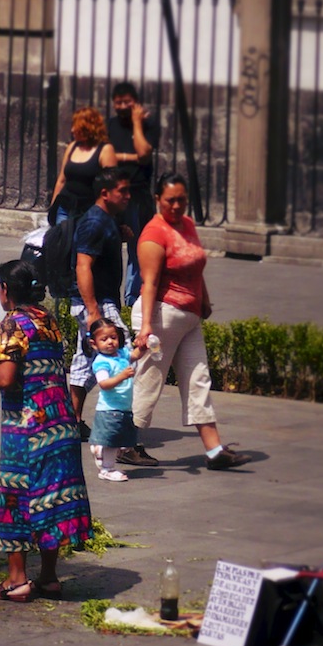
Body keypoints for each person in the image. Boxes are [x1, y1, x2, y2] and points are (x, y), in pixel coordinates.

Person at [0, 260, 91, 602]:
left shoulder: (11, 324)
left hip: (28, 428)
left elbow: (6, 380)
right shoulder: (47, 320)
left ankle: (17, 581)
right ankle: (49, 577)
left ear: (5, 290)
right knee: (51, 499)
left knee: (16, 498)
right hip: (60, 423)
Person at [131, 172, 253, 471]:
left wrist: (205, 300)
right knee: (148, 381)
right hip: (160, 315)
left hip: (188, 318)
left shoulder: (186, 225)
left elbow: (196, 267)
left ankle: (214, 450)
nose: (176, 205)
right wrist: (146, 327)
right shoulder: (153, 234)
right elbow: (149, 284)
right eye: (170, 200)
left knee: (199, 379)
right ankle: (126, 445)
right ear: (158, 200)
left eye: (181, 200)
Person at [69, 167, 158, 466]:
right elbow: (83, 266)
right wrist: (94, 310)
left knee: (84, 363)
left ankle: (73, 421)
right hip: (98, 304)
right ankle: (123, 444)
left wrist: (118, 232)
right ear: (105, 193)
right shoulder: (94, 222)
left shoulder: (105, 220)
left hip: (98, 302)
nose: (128, 196)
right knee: (124, 353)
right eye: (123, 191)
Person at [107, 82, 160, 307]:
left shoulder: (148, 125)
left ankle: (131, 301)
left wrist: (137, 123)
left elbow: (145, 154)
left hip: (138, 195)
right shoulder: (109, 125)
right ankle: (112, 300)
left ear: (136, 102)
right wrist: (130, 158)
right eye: (118, 102)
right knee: (110, 249)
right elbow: (105, 154)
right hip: (113, 195)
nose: (122, 106)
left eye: (127, 102)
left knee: (138, 249)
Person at [87, 318, 147, 482]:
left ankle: (99, 448)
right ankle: (107, 469)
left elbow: (134, 355)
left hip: (124, 408)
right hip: (109, 409)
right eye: (104, 339)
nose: (110, 342)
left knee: (122, 441)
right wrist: (122, 376)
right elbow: (104, 384)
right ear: (94, 344)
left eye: (113, 337)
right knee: (113, 442)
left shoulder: (121, 354)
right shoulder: (101, 362)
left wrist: (142, 348)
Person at [49, 107, 117, 225]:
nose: (72, 130)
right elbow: (61, 180)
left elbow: (112, 186)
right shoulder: (72, 146)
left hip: (88, 210)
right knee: (62, 241)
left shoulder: (105, 150)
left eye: (76, 126)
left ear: (88, 128)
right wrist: (53, 207)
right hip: (65, 207)